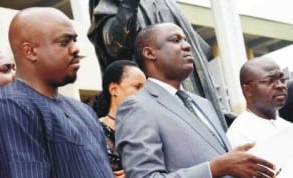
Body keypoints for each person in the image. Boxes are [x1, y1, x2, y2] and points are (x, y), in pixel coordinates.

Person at [115, 23, 276, 178]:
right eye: (176, 40)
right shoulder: (137, 107)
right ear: (150, 53)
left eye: (186, 40)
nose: (186, 46)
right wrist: (215, 168)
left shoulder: (203, 104)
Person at [0, 7, 113, 178]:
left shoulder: (83, 110)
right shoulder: (12, 105)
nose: (75, 49)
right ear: (30, 51)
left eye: (74, 40)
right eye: (64, 42)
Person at [87, 0, 229, 130]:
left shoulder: (169, 3)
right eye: (176, 40)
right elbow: (115, 45)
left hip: (196, 108)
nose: (185, 46)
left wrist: (218, 113)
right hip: (155, 115)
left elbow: (200, 61)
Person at [93, 60, 146, 177]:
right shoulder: (95, 131)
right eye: (137, 87)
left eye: (146, 89)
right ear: (114, 89)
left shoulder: (149, 128)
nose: (144, 94)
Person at [226, 57, 291, 147]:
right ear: (248, 90)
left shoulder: (287, 126)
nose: (280, 85)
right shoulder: (240, 135)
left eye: (282, 80)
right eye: (270, 81)